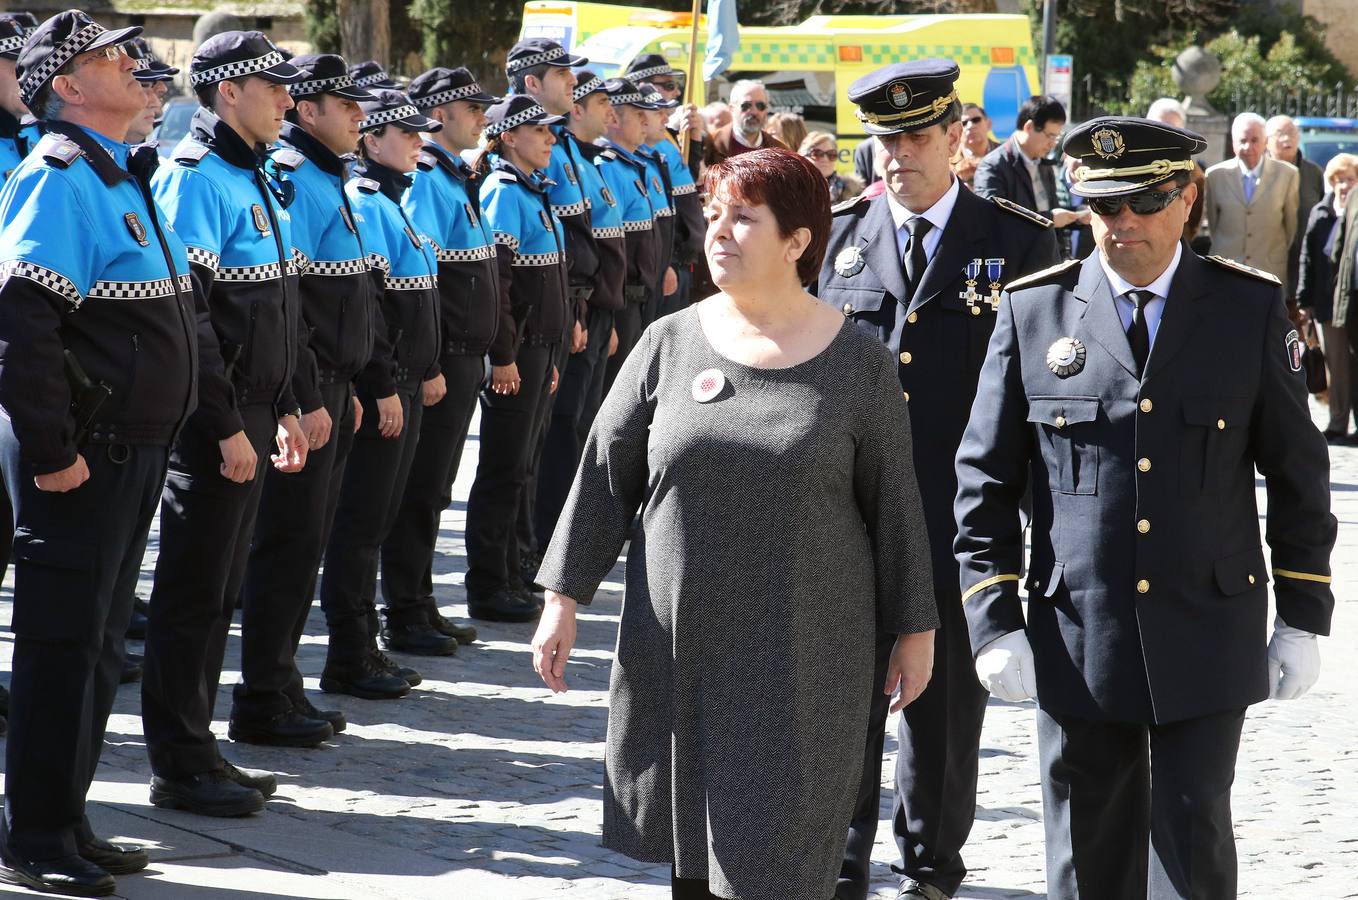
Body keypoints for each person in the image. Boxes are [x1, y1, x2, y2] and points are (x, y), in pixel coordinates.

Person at [530, 146, 938, 900]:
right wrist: (563, 598)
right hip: (682, 651)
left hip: (804, 658)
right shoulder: (671, 341)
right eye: (714, 215)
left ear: (797, 241)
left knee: (776, 866)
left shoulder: (859, 364)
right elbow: (603, 476)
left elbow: (896, 510)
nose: (718, 232)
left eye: (744, 218)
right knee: (692, 863)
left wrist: (916, 631)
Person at [955, 115, 1337, 900]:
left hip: (1206, 625)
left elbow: (1299, 473)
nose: (1122, 223)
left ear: (1187, 197)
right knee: (1086, 855)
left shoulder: (1244, 308)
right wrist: (993, 619)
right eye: (1103, 207)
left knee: (1194, 850)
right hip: (1078, 634)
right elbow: (984, 479)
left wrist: (1302, 613)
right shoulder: (1036, 311)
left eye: (1143, 202)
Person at [816, 60, 1059, 900]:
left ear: (956, 138)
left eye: (915, 137)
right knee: (843, 691)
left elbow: (1038, 393)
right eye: (884, 139)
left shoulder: (1018, 241)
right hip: (846, 512)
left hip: (960, 516)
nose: (896, 155)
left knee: (947, 703)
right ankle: (838, 858)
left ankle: (929, 866)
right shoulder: (838, 235)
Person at [0, 12, 194, 894]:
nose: (131, 65)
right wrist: (51, 451)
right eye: (109, 57)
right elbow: (21, 320)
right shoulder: (60, 172)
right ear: (67, 86)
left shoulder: (122, 172)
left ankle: (68, 819)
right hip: (87, 457)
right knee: (59, 645)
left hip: (133, 449)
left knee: (98, 646)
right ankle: (35, 835)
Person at [143, 30, 310, 818]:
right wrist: (224, 427)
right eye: (274, 87)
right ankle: (178, 762)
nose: (288, 101)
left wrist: (280, 408)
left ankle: (199, 746)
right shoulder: (196, 178)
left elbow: (273, 308)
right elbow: (193, 321)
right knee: (192, 594)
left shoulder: (254, 175)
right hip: (215, 419)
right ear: (228, 92)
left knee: (219, 593)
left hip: (250, 410)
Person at [232, 54, 398, 729]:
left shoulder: (332, 177)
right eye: (346, 105)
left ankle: (282, 682)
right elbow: (291, 305)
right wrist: (304, 398)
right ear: (308, 111)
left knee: (308, 541)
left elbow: (346, 299)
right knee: (288, 543)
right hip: (305, 387)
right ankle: (262, 694)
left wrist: (353, 383)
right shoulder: (296, 180)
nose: (362, 115)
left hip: (331, 384)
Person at [320, 88, 446, 687]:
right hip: (384, 384)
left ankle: (362, 644)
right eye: (409, 135)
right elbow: (370, 308)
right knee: (361, 522)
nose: (422, 143)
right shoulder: (368, 202)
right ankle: (350, 650)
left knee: (383, 514)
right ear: (373, 141)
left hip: (406, 379)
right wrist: (381, 384)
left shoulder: (394, 201)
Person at [379, 65, 498, 647]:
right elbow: (419, 279)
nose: (482, 118)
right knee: (421, 487)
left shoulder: (452, 176)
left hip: (460, 352)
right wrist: (431, 361)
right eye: (472, 109)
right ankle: (403, 607)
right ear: (441, 114)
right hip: (443, 353)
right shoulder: (426, 178)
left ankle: (418, 600)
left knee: (435, 485)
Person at [463, 94, 570, 622]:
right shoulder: (504, 192)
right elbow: (499, 285)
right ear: (509, 136)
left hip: (538, 349)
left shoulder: (532, 190)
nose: (552, 139)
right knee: (504, 468)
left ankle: (511, 570)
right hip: (518, 352)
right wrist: (505, 355)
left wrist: (546, 351)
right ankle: (488, 581)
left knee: (522, 467)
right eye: (541, 131)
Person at [502, 38, 591, 600]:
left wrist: (575, 310)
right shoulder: (508, 176)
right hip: (525, 332)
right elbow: (503, 279)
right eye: (562, 73)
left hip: (563, 317)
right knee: (514, 461)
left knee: (540, 449)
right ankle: (505, 567)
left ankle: (527, 553)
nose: (573, 84)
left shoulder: (567, 149)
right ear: (531, 83)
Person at [531, 72, 627, 552]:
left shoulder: (583, 157)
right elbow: (568, 247)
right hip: (570, 309)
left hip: (596, 306)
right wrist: (580, 311)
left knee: (583, 420)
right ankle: (549, 536)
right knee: (560, 426)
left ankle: (566, 531)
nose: (611, 112)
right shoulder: (557, 153)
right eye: (601, 102)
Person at [597, 78, 661, 389]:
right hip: (623, 298)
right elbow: (613, 245)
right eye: (638, 115)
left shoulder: (630, 164)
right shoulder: (608, 166)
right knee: (614, 387)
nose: (646, 121)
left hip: (639, 295)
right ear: (613, 118)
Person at [1298, 153, 1358, 441]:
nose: (1343, 186)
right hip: (1326, 303)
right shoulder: (1321, 213)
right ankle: (1337, 422)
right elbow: (1307, 259)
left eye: (1349, 180)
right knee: (1336, 364)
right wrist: (1304, 300)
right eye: (1338, 180)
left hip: (1354, 301)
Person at [1203, 112, 1299, 282]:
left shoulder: (1287, 174)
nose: (1248, 147)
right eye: (1242, 141)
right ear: (1233, 144)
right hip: (1226, 270)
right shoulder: (1215, 176)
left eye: (1254, 140)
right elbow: (1213, 223)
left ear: (1265, 142)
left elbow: (1290, 225)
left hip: (1269, 271)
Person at [638, 82, 704, 321]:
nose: (665, 118)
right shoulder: (639, 159)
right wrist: (667, 263)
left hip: (680, 261)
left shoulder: (662, 146)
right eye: (658, 112)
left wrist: (695, 140)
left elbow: (688, 181)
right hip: (665, 265)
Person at [974, 96, 1084, 232]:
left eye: (1057, 137)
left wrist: (1078, 215)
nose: (1053, 143)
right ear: (1029, 127)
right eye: (1050, 136)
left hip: (1047, 251)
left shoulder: (1044, 163)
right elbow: (993, 218)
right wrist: (1048, 219)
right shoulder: (992, 166)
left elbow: (1052, 215)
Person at [1267, 114, 1326, 311]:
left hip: (1303, 270)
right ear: (1267, 140)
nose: (1287, 139)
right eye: (1280, 134)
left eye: (1291, 133)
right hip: (1268, 266)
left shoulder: (1313, 173)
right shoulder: (1259, 174)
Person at [624, 53, 703, 178]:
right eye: (669, 86)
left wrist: (694, 140)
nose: (677, 92)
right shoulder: (639, 139)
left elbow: (688, 178)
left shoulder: (667, 133)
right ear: (643, 85)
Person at [1145, 98, 1205, 244]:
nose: (1163, 136)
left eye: (1171, 130)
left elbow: (1192, 226)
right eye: (1157, 127)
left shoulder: (1195, 175)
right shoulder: (1126, 166)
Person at [702, 79, 786, 167]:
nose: (754, 112)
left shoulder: (778, 150)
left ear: (766, 110)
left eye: (760, 106)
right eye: (746, 105)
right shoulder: (711, 144)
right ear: (732, 109)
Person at [800, 130, 862, 204]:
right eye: (817, 153)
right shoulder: (794, 189)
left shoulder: (854, 191)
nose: (825, 159)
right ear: (803, 157)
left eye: (831, 154)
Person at [951, 102, 997, 188]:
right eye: (964, 123)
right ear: (957, 131)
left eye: (976, 120)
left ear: (989, 124)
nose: (970, 126)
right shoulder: (947, 163)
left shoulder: (1007, 156)